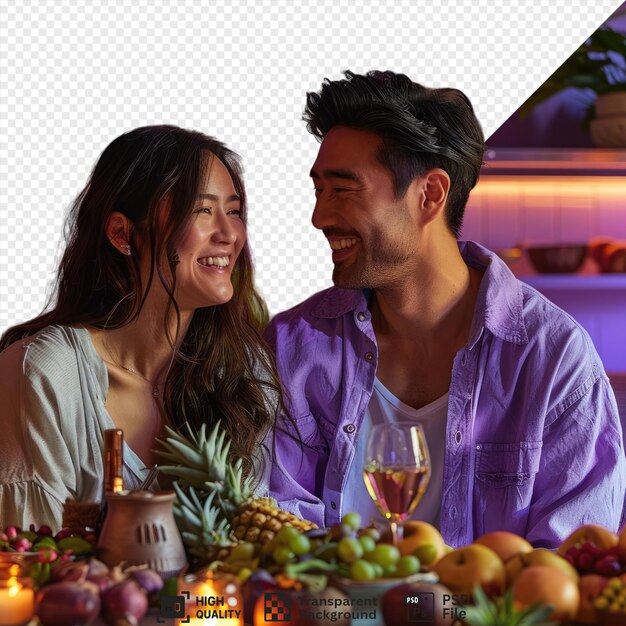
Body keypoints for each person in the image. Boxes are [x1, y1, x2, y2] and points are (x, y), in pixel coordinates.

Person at [266, 70, 626, 548]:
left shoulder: (554, 359)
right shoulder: (291, 349)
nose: (319, 216)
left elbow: (567, 569)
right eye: (318, 191)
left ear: (430, 194)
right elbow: (275, 539)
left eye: (344, 189)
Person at [0, 125, 281, 529]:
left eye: (234, 211)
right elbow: (33, 559)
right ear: (122, 233)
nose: (228, 234)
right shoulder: (44, 374)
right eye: (201, 210)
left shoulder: (242, 371)